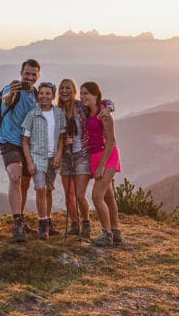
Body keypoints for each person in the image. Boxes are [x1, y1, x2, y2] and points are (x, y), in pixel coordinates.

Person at [57, 79, 114, 239]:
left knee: (80, 195)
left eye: (68, 88)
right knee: (69, 195)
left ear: (73, 91)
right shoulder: (58, 111)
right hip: (66, 158)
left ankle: (86, 223)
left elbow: (104, 101)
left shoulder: (81, 106)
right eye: (62, 88)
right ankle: (75, 225)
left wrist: (109, 108)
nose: (65, 90)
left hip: (82, 155)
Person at [0, 59, 40, 242]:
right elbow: (7, 101)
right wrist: (11, 94)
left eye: (33, 74)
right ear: (21, 73)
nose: (30, 77)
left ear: (38, 75)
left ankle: (21, 220)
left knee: (24, 183)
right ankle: (17, 224)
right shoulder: (11, 90)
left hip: (28, 144)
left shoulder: (37, 95)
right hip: (9, 140)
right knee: (15, 176)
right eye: (27, 74)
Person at [22, 82, 66, 240]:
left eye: (48, 93)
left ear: (53, 96)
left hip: (52, 158)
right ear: (37, 95)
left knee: (48, 190)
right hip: (37, 157)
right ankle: (42, 227)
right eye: (41, 93)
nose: (44, 96)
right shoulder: (32, 115)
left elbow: (62, 137)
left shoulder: (59, 114)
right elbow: (25, 141)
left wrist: (59, 154)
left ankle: (48, 222)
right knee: (40, 189)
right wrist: (29, 162)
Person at [80, 81, 122, 247]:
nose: (82, 97)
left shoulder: (104, 114)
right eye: (81, 93)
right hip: (95, 156)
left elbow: (112, 141)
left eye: (86, 93)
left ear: (96, 95)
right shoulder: (87, 111)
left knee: (97, 196)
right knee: (108, 196)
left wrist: (101, 165)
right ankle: (116, 232)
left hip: (108, 156)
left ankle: (106, 234)